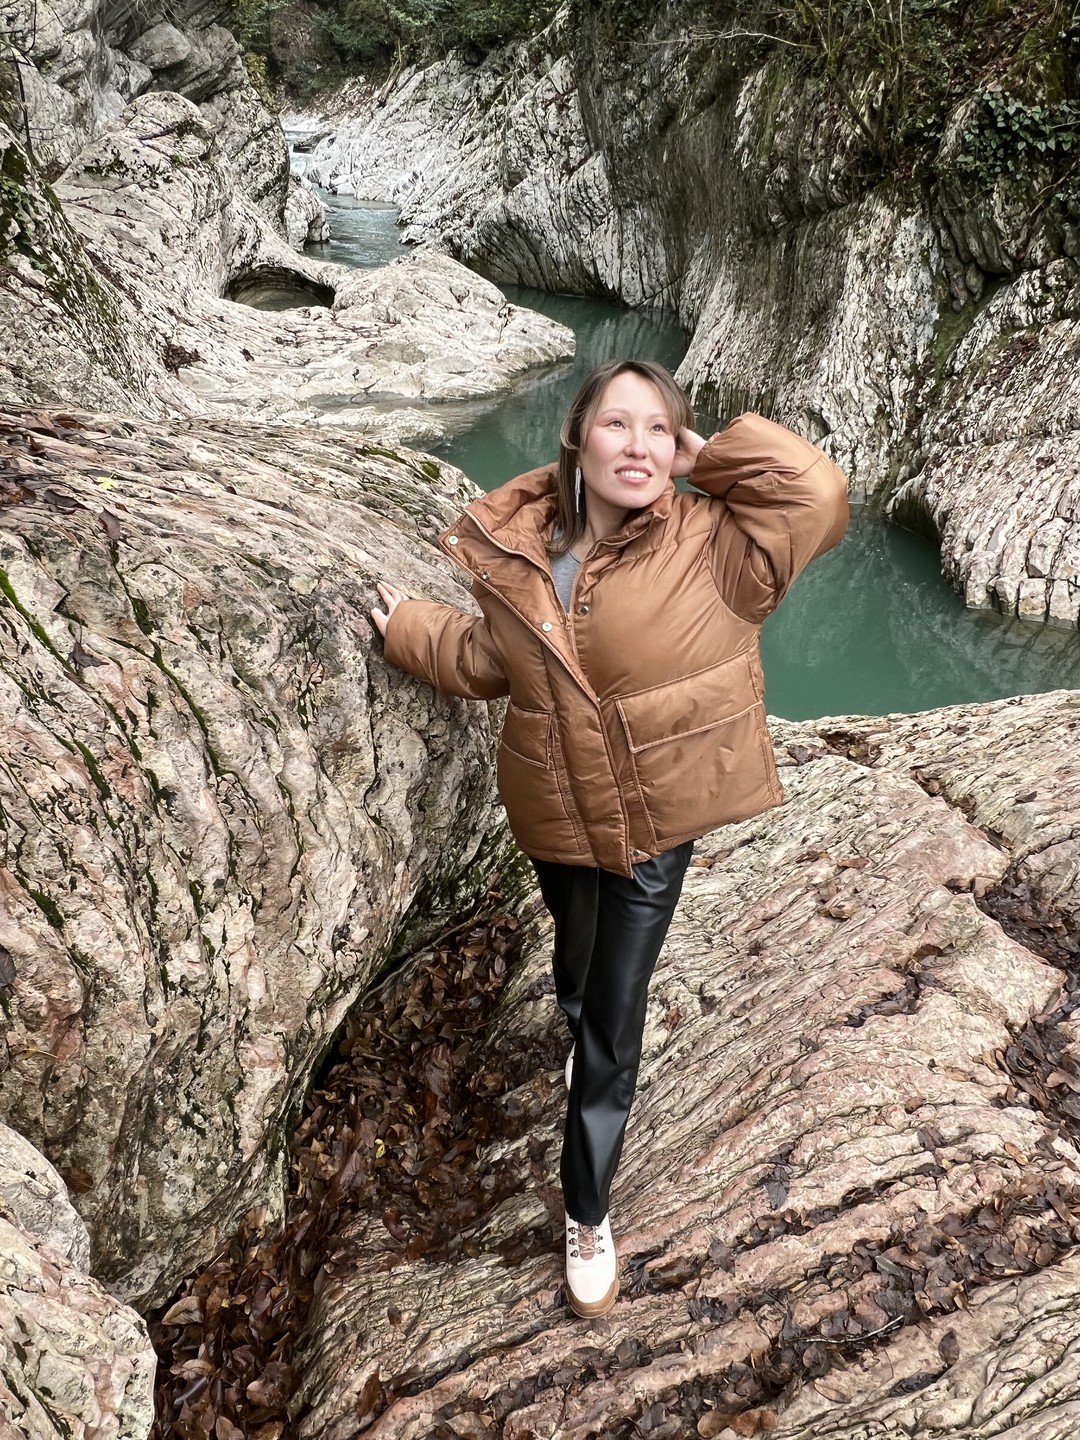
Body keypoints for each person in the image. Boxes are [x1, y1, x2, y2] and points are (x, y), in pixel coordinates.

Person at [371, 358, 849, 1319]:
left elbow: (819, 493)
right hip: (552, 810)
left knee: (612, 1020)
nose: (639, 445)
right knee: (575, 954)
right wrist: (409, 630)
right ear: (576, 438)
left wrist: (709, 458)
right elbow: (487, 660)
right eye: (617, 424)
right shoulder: (523, 550)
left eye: (658, 428)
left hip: (653, 828)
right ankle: (574, 1009)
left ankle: (587, 1210)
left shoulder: (720, 545)